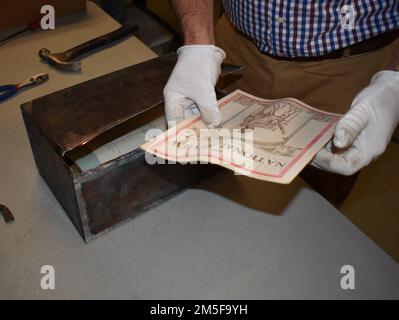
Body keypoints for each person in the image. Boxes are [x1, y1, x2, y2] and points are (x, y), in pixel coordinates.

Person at [163, 0, 399, 207]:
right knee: (209, 182)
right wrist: (197, 42)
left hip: (349, 70)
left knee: (317, 203)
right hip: (233, 51)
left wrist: (395, 82)